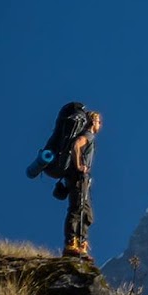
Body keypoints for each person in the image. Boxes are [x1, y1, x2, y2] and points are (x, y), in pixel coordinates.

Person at [62, 110, 102, 259]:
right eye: (99, 121)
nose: (100, 125)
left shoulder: (89, 136)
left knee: (86, 213)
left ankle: (81, 244)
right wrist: (79, 165)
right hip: (78, 177)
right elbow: (76, 145)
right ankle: (72, 243)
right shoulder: (88, 135)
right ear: (92, 122)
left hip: (82, 179)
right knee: (77, 208)